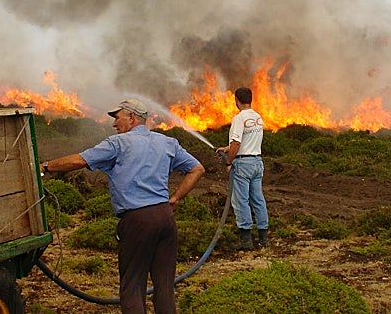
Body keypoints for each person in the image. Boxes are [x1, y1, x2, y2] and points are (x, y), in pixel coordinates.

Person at [41, 99, 205, 314]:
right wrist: (175, 199)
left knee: (132, 287)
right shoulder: (168, 143)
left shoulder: (117, 144)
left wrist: (44, 167)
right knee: (164, 286)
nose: (114, 124)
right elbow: (197, 169)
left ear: (131, 117)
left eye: (117, 118)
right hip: (165, 219)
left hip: (137, 221)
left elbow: (80, 161)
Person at [216, 87, 269, 250]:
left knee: (241, 201)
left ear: (236, 100)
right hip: (257, 162)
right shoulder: (257, 118)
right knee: (258, 199)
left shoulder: (239, 119)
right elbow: (246, 141)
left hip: (243, 164)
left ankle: (246, 242)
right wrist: (228, 147)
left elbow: (237, 143)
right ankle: (263, 240)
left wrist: (228, 162)